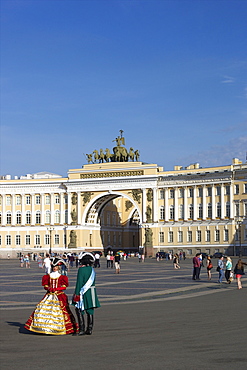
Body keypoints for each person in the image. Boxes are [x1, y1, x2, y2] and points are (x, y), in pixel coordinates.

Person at [25, 257, 77, 335]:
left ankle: (63, 328)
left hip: (59, 295)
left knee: (62, 311)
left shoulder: (62, 277)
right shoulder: (48, 276)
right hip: (49, 295)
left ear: (58, 267)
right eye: (53, 267)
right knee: (43, 309)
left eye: (56, 267)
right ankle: (45, 327)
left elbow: (64, 286)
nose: (54, 268)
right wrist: (48, 288)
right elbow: (45, 285)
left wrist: (57, 288)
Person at [72, 252, 100, 335]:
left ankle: (82, 329)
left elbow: (79, 283)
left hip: (84, 292)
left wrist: (76, 293)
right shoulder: (92, 269)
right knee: (90, 310)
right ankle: (89, 329)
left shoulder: (81, 269)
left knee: (79, 309)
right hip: (92, 292)